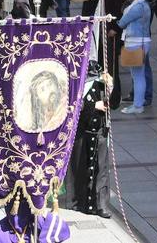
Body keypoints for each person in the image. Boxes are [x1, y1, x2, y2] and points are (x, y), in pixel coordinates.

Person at [64, 61, 112, 218]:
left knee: (101, 170)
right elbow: (73, 105)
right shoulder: (77, 84)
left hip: (99, 132)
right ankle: (79, 202)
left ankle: (101, 205)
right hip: (82, 134)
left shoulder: (100, 84)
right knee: (80, 168)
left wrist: (109, 86)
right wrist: (93, 105)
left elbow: (111, 101)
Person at [118, 0, 153, 115]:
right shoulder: (143, 4)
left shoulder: (138, 6)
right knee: (138, 75)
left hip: (136, 42)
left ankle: (138, 105)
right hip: (140, 41)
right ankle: (138, 103)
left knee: (137, 76)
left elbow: (123, 22)